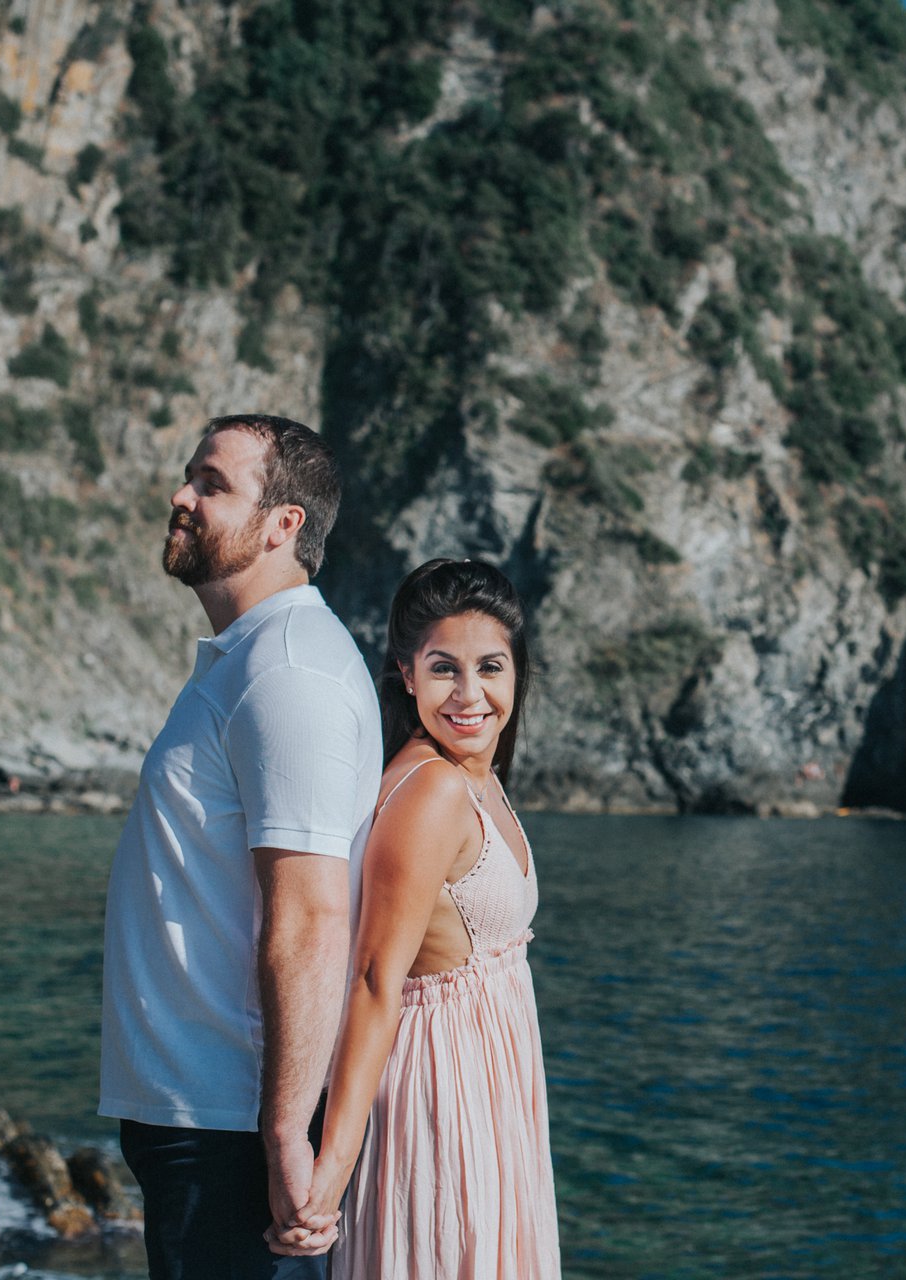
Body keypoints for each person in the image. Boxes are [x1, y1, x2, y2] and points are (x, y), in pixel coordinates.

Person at [98, 414, 382, 1278]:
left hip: (231, 1127)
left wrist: (285, 1133)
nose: (180, 496)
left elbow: (312, 915)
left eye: (212, 484)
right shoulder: (248, 660)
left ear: (282, 524)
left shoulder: (289, 672)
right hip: (199, 1115)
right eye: (190, 476)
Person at [268, 558, 561, 1277]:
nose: (469, 694)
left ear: (517, 673)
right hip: (443, 1097)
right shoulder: (432, 790)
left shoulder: (475, 775)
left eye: (489, 667)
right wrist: (328, 1174)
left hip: (488, 1093)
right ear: (406, 673)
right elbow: (374, 982)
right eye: (443, 669)